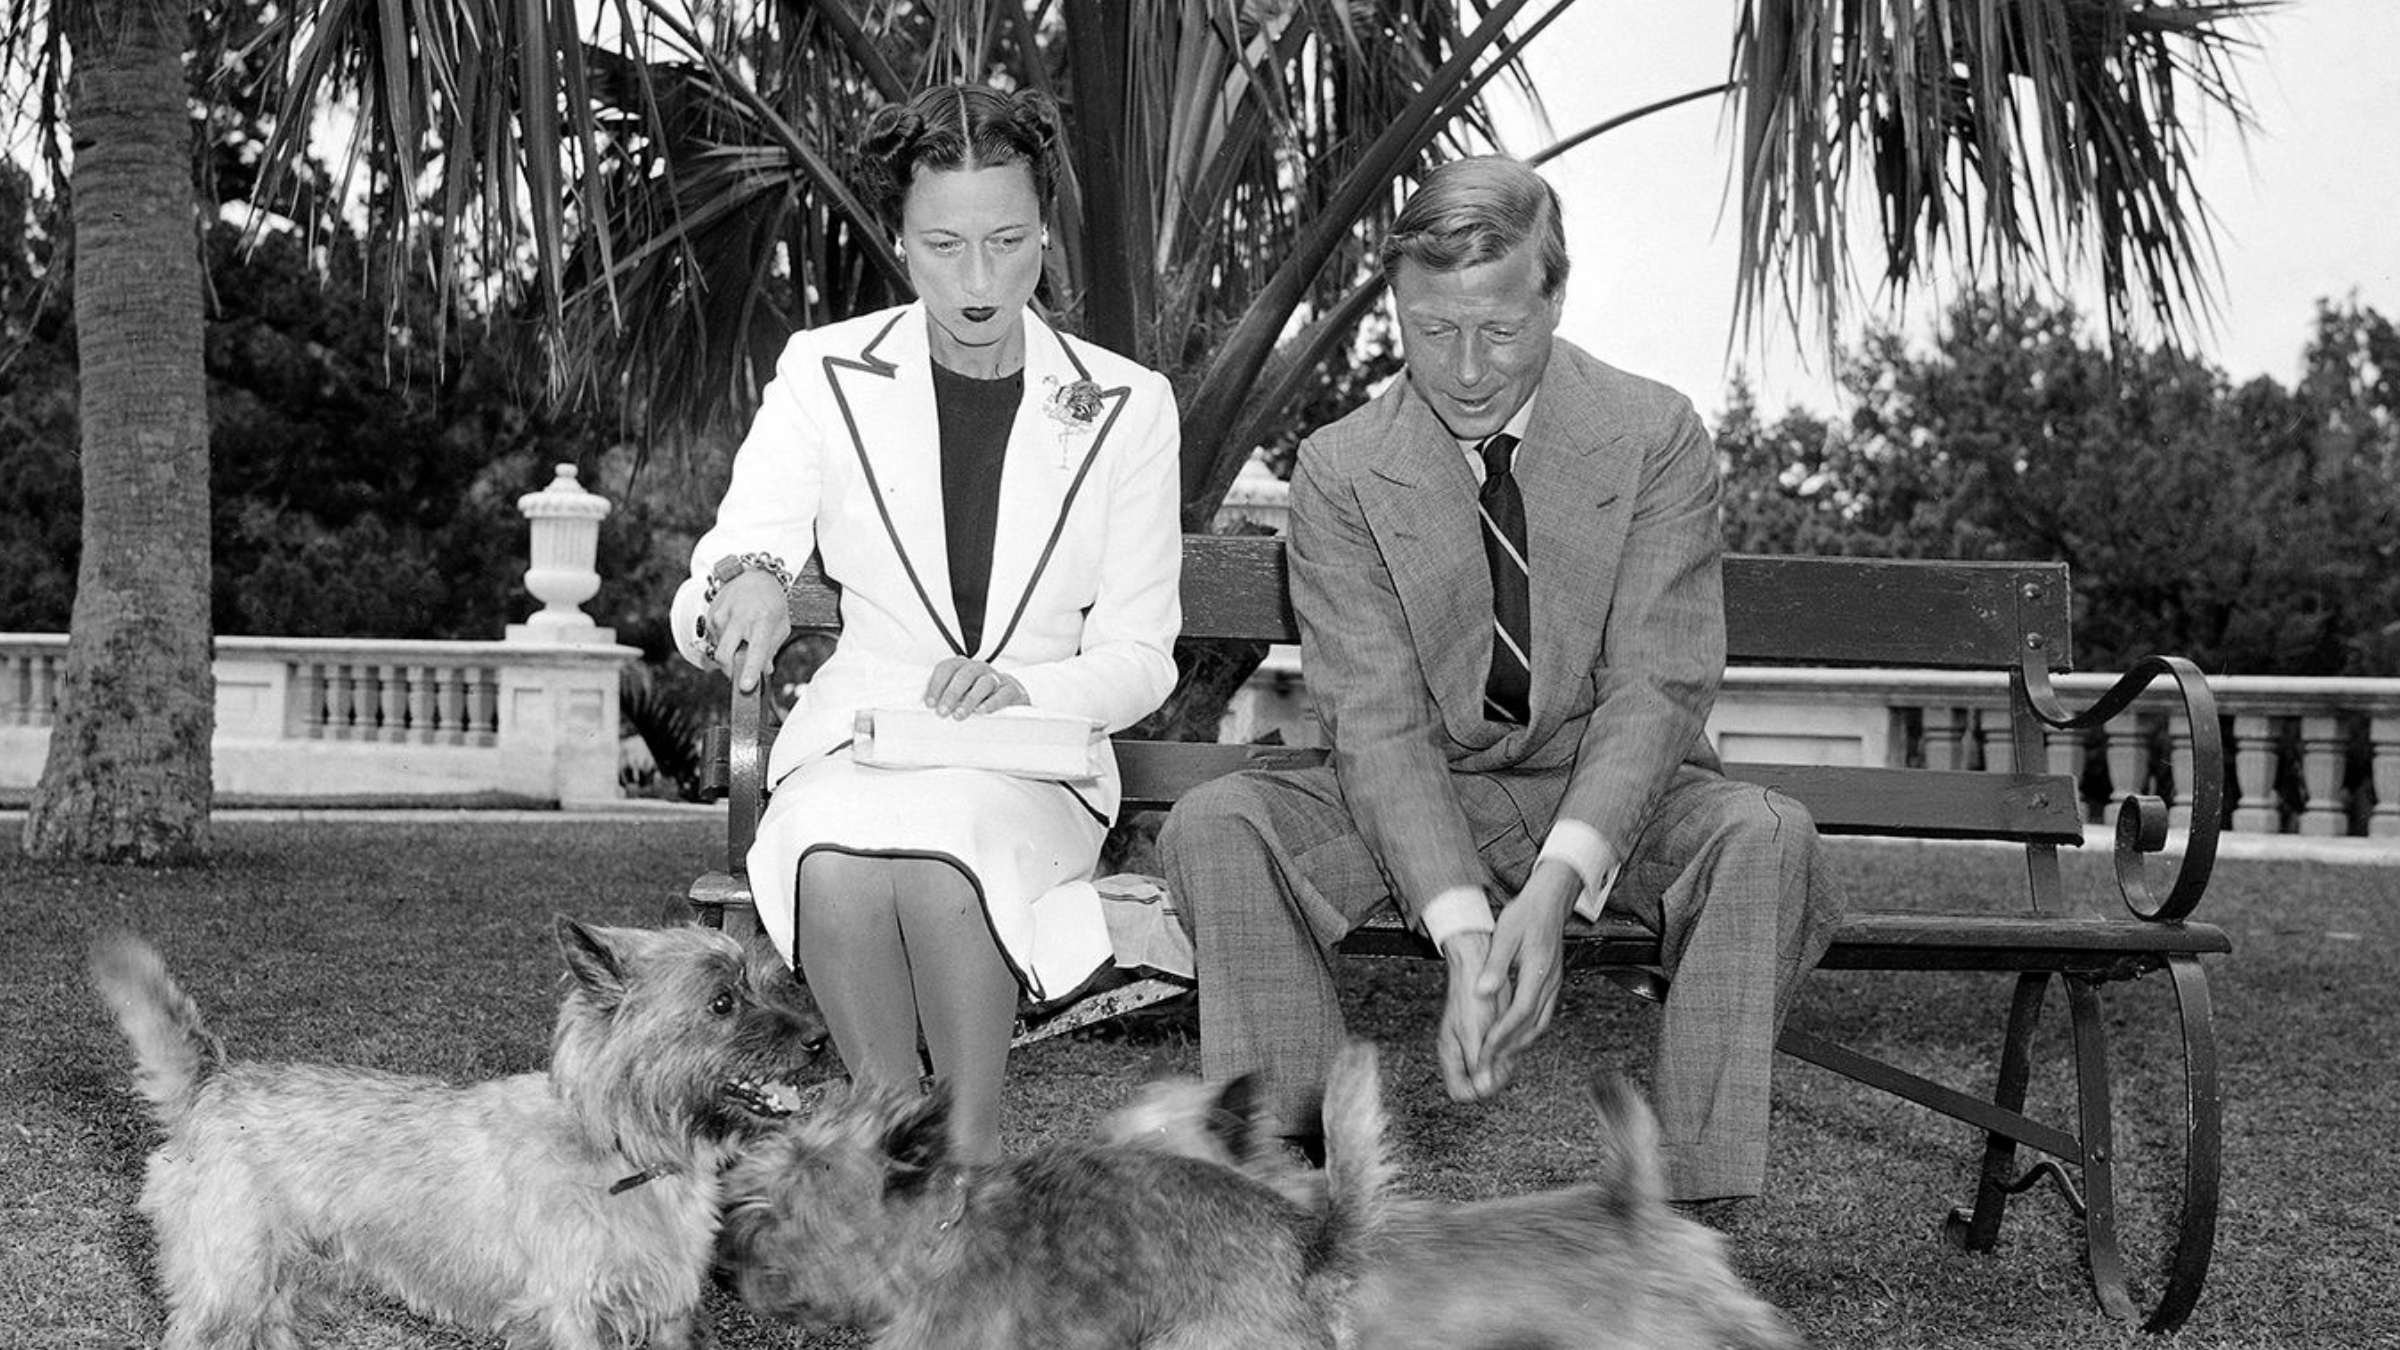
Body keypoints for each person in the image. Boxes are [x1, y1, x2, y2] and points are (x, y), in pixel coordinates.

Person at [1158, 155, 1845, 1203]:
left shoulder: (1654, 434)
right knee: (1218, 823)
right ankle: (1292, 1207)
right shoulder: (1341, 469)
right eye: (1432, 331)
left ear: (1555, 295)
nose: (1468, 368)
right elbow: (1376, 724)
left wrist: (1562, 883)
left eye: (1502, 330)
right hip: (1426, 791)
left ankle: (1687, 1224)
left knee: (1770, 838)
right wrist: (1470, 935)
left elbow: (1657, 687)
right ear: (1397, 307)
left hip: (1612, 791)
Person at [672, 84, 1182, 1162]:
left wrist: (1026, 690)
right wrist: (750, 584)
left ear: (1046, 225)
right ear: (899, 239)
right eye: (945, 245)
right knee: (838, 858)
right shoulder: (825, 370)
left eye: (1008, 240)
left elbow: (1142, 658)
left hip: (1030, 759)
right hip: (861, 740)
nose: (981, 279)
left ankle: (974, 1160)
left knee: (944, 845)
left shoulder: (1130, 403)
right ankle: (903, 1149)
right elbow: (736, 546)